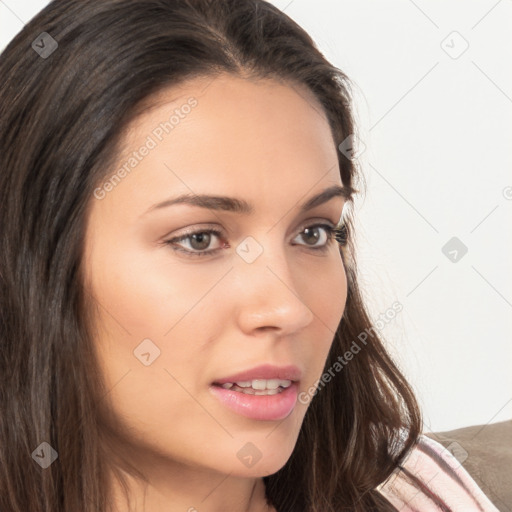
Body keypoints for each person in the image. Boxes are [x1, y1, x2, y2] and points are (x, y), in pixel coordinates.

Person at [0, 1, 499, 511]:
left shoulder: (427, 491)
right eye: (199, 239)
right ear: (34, 259)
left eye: (313, 232)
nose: (288, 310)